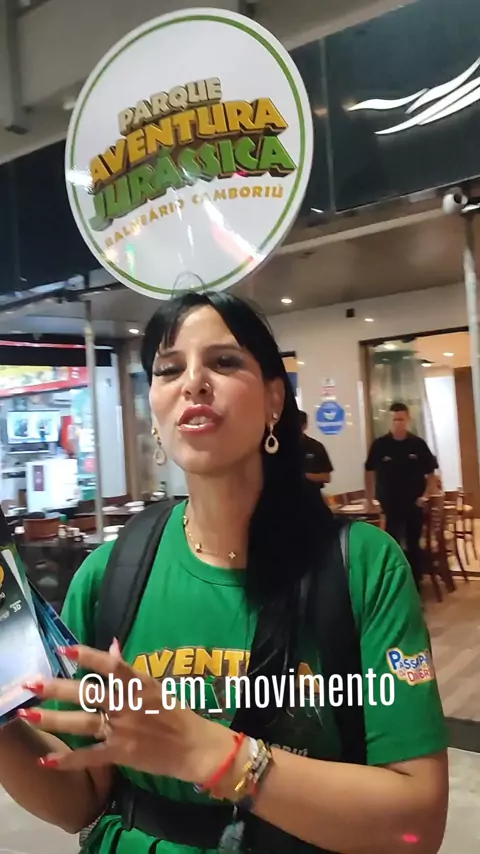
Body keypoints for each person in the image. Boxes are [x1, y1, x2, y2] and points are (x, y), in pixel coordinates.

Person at [0, 293, 448, 854]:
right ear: (155, 413)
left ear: (274, 400)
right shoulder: (107, 575)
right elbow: (78, 801)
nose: (193, 382)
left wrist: (207, 752)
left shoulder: (362, 566)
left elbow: (415, 826)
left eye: (224, 361)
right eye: (169, 369)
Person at [365, 402, 438, 590]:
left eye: (401, 419)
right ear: (389, 421)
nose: (398, 423)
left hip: (414, 504)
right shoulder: (380, 445)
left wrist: (426, 496)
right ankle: (395, 584)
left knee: (413, 544)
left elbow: (431, 473)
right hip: (389, 504)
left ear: (408, 420)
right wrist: (370, 499)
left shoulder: (418, 444)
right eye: (395, 419)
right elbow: (369, 471)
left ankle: (415, 583)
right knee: (392, 544)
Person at [299, 410, 333, 487]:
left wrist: (304, 476)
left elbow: (326, 477)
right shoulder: (279, 447)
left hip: (311, 492)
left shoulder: (315, 446)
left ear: (304, 426)